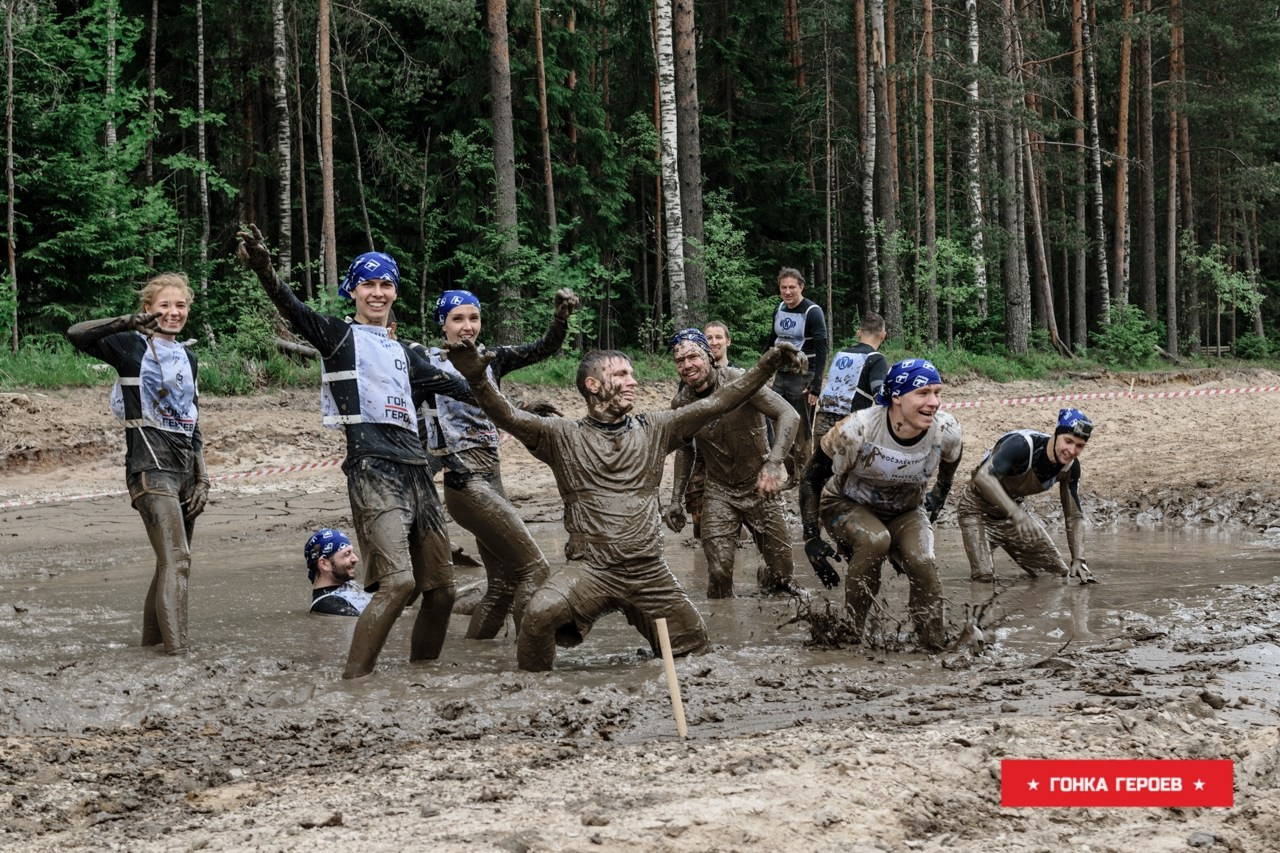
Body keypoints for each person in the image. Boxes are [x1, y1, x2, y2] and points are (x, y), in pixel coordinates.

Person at [442, 338, 806, 670]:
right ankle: (539, 695)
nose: (634, 381)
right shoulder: (561, 435)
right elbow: (509, 416)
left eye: (632, 373)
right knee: (539, 615)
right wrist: (478, 379)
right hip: (591, 571)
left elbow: (721, 400)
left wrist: (769, 362)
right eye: (622, 374)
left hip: (650, 574)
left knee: (697, 655)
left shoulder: (656, 427)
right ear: (593, 385)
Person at [237, 224, 472, 679]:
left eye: (386, 285)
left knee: (441, 590)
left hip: (418, 472)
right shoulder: (337, 337)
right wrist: (266, 270)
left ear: (395, 292)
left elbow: (464, 389)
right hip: (372, 470)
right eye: (369, 284)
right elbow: (293, 308)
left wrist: (516, 410)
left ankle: (422, 676)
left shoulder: (407, 352)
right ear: (353, 290)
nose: (378, 293)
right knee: (400, 582)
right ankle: (355, 681)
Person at [412, 286, 579, 639]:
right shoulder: (424, 363)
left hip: (492, 478)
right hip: (464, 481)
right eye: (457, 319)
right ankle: (532, 655)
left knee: (502, 585)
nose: (467, 326)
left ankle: (478, 653)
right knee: (535, 568)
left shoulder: (492, 359)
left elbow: (543, 348)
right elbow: (419, 429)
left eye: (473, 318)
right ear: (443, 325)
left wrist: (560, 321)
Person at [65, 273, 209, 655]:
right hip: (148, 466)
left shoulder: (189, 357)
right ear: (149, 309)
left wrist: (204, 479)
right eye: (164, 305)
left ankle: (151, 649)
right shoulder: (129, 346)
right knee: (177, 559)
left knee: (172, 564)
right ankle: (180, 658)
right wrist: (127, 322)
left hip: (185, 473)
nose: (173, 312)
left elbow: (194, 421)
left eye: (180, 306)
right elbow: (75, 333)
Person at [799, 359, 963, 650]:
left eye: (937, 393)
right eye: (923, 393)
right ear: (897, 396)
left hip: (906, 510)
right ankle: (851, 635)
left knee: (923, 561)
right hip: (845, 504)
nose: (934, 402)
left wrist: (941, 492)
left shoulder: (946, 430)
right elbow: (811, 479)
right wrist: (811, 536)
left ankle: (933, 644)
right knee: (876, 541)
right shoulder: (856, 430)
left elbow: (951, 461)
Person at [663, 329, 799, 598]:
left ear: (709, 356)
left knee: (783, 576)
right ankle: (719, 630)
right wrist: (676, 498)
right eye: (680, 361)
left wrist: (774, 463)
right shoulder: (682, 402)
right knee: (719, 572)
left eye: (693, 357)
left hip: (759, 486)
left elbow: (788, 413)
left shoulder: (738, 381)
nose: (687, 365)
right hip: (719, 491)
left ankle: (769, 584)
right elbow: (685, 449)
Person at [955, 409, 1097, 584]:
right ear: (1056, 435)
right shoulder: (1022, 445)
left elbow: (1074, 516)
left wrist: (1079, 559)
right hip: (976, 509)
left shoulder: (1070, 468)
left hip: (1013, 516)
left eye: (1079, 446)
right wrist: (1017, 514)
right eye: (1068, 441)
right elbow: (983, 478)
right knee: (984, 578)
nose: (1071, 450)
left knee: (1056, 576)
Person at [770, 268, 829, 483]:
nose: (787, 292)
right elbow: (772, 338)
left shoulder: (813, 311)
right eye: (783, 287)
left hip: (804, 375)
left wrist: (816, 385)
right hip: (781, 373)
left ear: (801, 287)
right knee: (776, 423)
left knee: (802, 429)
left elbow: (823, 348)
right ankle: (792, 476)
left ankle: (805, 478)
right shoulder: (779, 309)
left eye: (792, 287)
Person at [682, 319, 737, 537]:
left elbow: (759, 416)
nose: (713, 342)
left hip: (733, 455)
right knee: (699, 518)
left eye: (718, 337)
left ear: (728, 341)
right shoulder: (690, 375)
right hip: (699, 454)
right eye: (709, 338)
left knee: (734, 516)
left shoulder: (738, 375)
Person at [812, 311, 888, 448]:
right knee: (848, 467)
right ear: (883, 335)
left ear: (859, 333)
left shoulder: (840, 354)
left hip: (823, 416)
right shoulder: (876, 358)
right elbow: (879, 394)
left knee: (818, 466)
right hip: (850, 422)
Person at [306, 528, 371, 616]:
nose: (355, 559)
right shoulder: (325, 605)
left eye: (353, 552)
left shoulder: (351, 585)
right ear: (324, 564)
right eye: (347, 554)